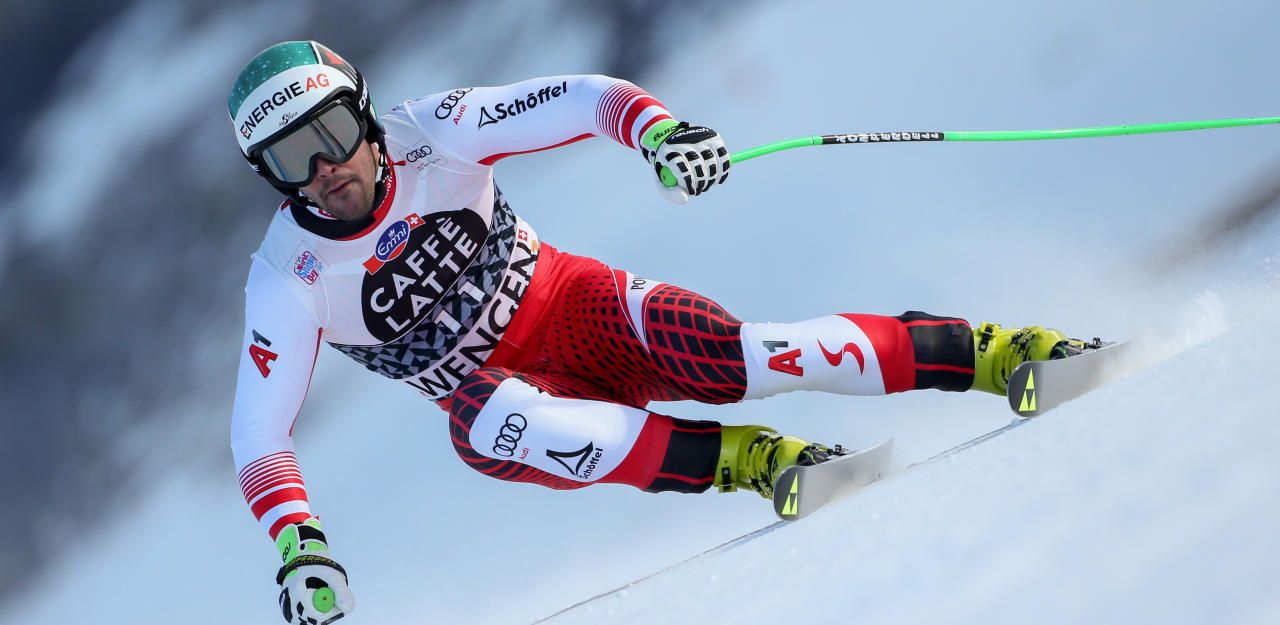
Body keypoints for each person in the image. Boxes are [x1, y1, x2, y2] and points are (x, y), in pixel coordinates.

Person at [228, 41, 1092, 624]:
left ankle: (1002, 354)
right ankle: (759, 461)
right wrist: (299, 545)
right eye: (289, 160)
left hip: (582, 308)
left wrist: (660, 131)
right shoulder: (287, 274)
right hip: (525, 408)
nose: (325, 170)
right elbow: (259, 434)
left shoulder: (433, 130)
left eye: (332, 134)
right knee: (482, 415)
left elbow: (579, 97)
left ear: (367, 116)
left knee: (754, 356)